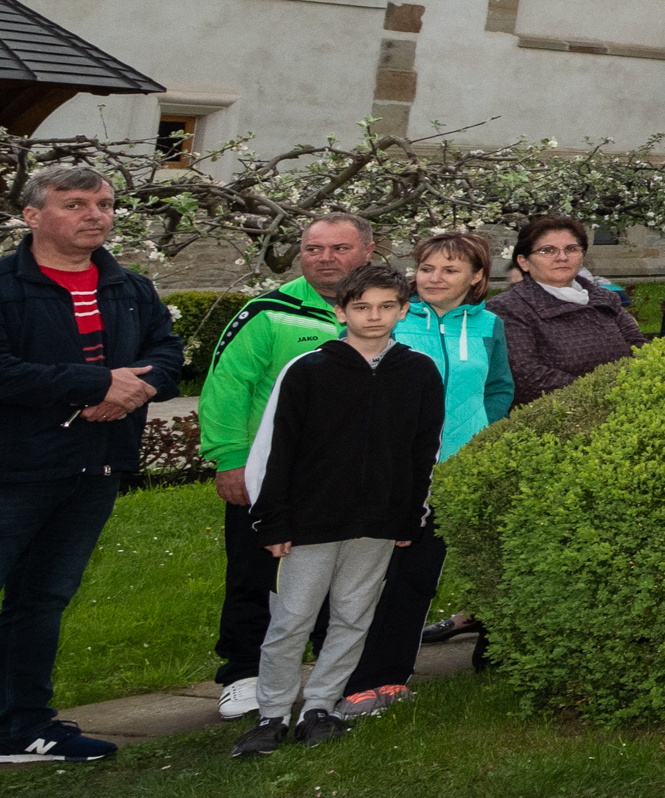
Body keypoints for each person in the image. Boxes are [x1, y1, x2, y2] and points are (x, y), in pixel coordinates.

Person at [0, 165, 183, 798]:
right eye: (75, 204)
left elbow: (168, 353)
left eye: (103, 203)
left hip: (92, 467)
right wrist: (94, 383)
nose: (95, 215)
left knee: (41, 604)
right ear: (31, 215)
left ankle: (23, 728)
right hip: (2, 472)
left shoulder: (129, 288)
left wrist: (138, 387)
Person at [225, 267, 446, 758]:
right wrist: (273, 520)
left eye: (387, 306)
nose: (375, 316)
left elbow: (421, 451)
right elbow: (274, 450)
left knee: (352, 615)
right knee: (292, 618)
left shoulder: (419, 371)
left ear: (403, 310)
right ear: (340, 312)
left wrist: (411, 516)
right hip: (310, 523)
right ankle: (272, 713)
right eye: (362, 307)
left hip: (378, 524)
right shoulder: (307, 370)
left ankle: (320, 706)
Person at [340, 229, 514, 710]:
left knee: (417, 577)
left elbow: (499, 387)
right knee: (367, 578)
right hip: (391, 472)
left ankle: (390, 677)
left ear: (477, 277)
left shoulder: (488, 325)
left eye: (450, 269)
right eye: (428, 267)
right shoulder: (390, 315)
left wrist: (480, 435)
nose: (434, 278)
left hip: (459, 474)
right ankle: (349, 676)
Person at [198, 217, 363, 722]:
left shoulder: (386, 308)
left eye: (340, 247)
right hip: (271, 472)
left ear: (369, 250)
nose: (326, 257)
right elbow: (227, 386)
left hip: (351, 471)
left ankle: (333, 667)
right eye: (314, 248)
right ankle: (244, 671)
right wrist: (229, 460)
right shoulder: (268, 313)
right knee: (255, 569)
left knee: (344, 573)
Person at [494, 215, 643, 403]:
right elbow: (526, 374)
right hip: (553, 416)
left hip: (625, 406)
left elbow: (639, 348)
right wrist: (602, 395)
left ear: (581, 258)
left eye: (571, 249)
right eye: (547, 251)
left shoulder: (605, 299)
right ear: (524, 262)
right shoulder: (509, 308)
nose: (562, 257)